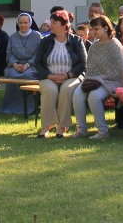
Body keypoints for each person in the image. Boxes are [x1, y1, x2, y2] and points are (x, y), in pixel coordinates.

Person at [73, 14, 123, 139]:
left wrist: (101, 80)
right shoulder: (95, 45)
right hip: (94, 80)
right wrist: (93, 79)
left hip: (113, 82)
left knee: (94, 96)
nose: (93, 32)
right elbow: (90, 67)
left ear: (106, 28)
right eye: (92, 29)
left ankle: (103, 132)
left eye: (96, 29)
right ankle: (81, 129)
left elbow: (120, 71)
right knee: (77, 94)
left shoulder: (115, 45)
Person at [32, 10, 86, 138]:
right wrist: (49, 75)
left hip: (72, 76)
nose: (51, 25)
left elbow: (84, 63)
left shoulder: (76, 41)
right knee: (50, 90)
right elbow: (37, 63)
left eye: (54, 22)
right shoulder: (45, 41)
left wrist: (69, 74)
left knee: (66, 90)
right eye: (51, 22)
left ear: (64, 25)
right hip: (48, 77)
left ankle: (62, 126)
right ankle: (46, 126)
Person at [0, 12, 43, 114]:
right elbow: (9, 53)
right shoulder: (13, 37)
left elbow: (39, 53)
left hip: (32, 65)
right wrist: (15, 64)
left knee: (28, 75)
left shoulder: (37, 36)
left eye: (25, 22)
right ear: (17, 23)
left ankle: (31, 106)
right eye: (20, 22)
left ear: (30, 23)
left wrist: (28, 64)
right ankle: (12, 105)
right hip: (15, 66)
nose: (23, 25)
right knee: (12, 75)